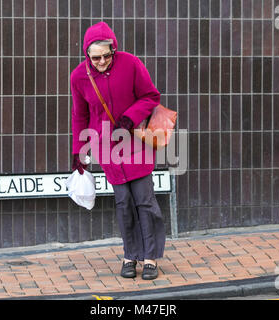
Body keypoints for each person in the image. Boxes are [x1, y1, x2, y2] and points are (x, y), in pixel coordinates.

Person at [70, 22, 165, 280]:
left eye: (106, 56)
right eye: (95, 57)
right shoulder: (79, 76)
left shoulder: (131, 63)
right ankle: (130, 255)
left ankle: (150, 258)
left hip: (134, 141)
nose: (101, 61)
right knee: (123, 203)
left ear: (114, 49)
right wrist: (79, 151)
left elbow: (150, 96)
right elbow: (80, 115)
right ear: (87, 55)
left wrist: (129, 118)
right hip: (106, 147)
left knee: (144, 200)